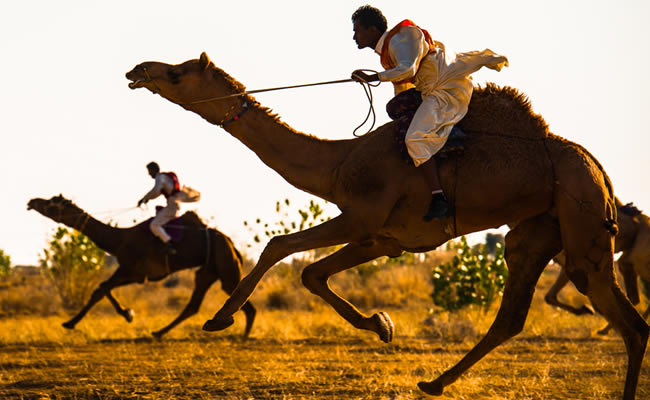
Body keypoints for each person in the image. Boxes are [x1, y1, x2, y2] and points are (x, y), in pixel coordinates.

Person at [350, 5, 508, 221]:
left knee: (413, 138)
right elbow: (403, 83)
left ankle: (438, 198)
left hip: (445, 89)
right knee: (396, 108)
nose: (354, 37)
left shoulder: (399, 39)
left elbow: (408, 69)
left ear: (372, 30)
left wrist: (376, 77)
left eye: (357, 30)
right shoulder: (389, 48)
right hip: (431, 88)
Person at [137, 162, 198, 254]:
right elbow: (158, 192)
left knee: (154, 225)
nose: (149, 174)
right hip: (174, 204)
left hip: (172, 206)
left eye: (149, 171)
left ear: (153, 170)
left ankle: (168, 244)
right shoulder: (165, 178)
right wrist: (147, 199)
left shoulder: (160, 178)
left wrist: (144, 199)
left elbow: (156, 191)